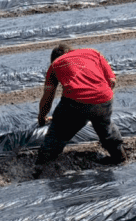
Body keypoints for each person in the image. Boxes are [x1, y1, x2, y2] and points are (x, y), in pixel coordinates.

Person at [33, 42, 125, 177]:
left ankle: (41, 165)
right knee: (104, 126)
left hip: (75, 103)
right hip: (104, 98)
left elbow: (48, 97)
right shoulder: (93, 53)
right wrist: (98, 98)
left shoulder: (55, 65)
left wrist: (42, 117)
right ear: (71, 51)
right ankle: (118, 156)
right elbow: (112, 81)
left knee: (58, 131)